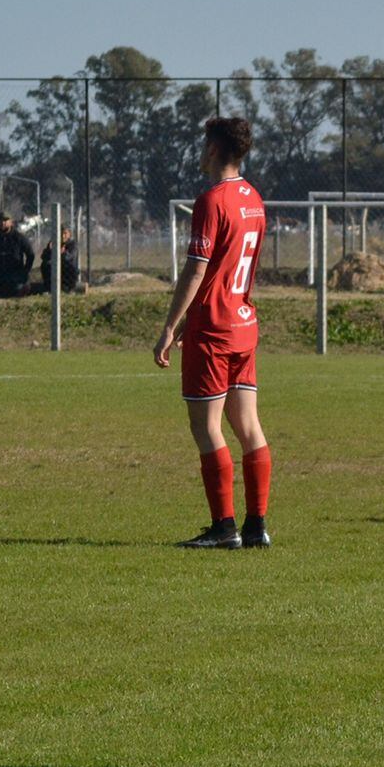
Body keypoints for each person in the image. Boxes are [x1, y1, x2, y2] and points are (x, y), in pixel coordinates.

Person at [153, 117, 271, 549]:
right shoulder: (254, 199)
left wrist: (170, 326)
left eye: (205, 144)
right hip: (243, 323)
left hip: (214, 330)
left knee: (207, 428)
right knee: (249, 425)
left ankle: (224, 527)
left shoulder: (211, 201)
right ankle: (257, 526)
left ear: (216, 150)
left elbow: (198, 267)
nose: (200, 151)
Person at [39, 226, 82, 293]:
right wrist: (49, 250)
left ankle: (69, 288)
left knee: (71, 267)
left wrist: (62, 253)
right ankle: (49, 288)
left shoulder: (72, 244)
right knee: (45, 265)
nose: (63, 236)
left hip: (66, 269)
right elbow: (44, 257)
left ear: (69, 234)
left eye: (65, 233)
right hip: (54, 267)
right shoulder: (53, 243)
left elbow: (69, 257)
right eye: (61, 233)